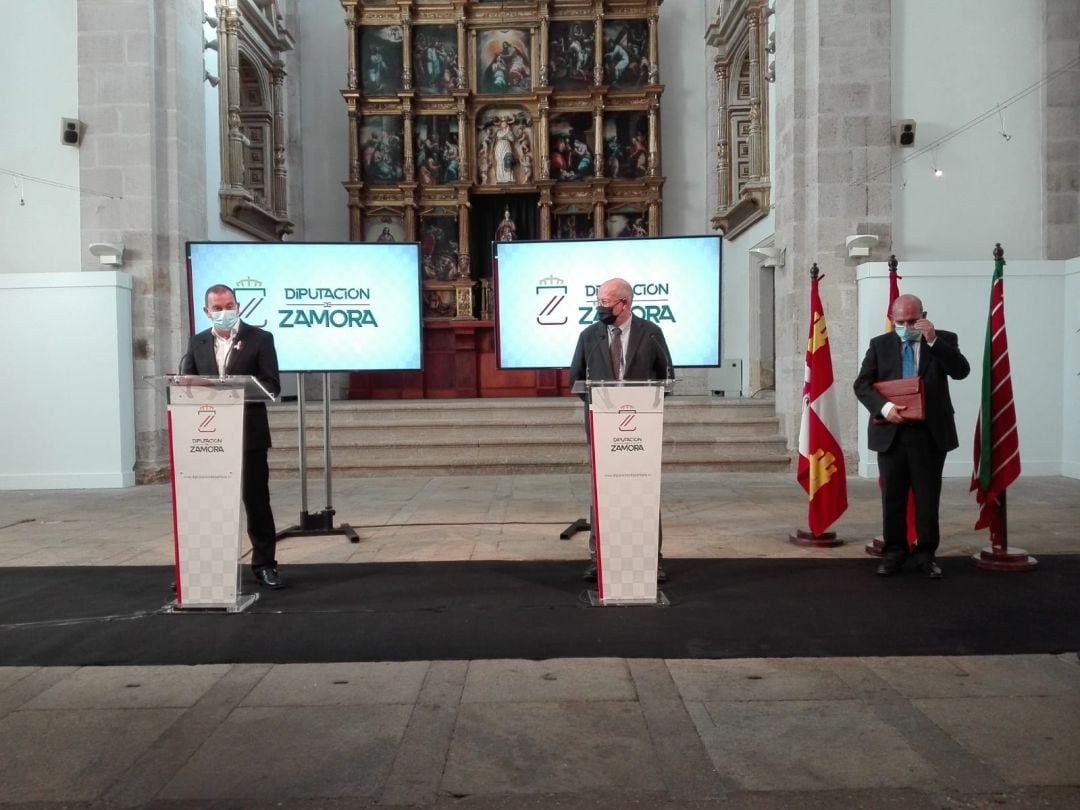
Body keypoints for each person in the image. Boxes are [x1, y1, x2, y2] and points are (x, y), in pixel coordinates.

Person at [853, 293, 970, 579]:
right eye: (900, 321)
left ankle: (925, 554)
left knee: (928, 498)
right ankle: (894, 552)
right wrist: (885, 407)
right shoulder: (880, 345)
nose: (906, 326)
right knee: (893, 497)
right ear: (893, 320)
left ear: (924, 316)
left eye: (912, 320)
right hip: (891, 432)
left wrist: (933, 341)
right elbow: (862, 384)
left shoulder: (943, 339)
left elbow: (961, 371)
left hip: (929, 435)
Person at [181, 284, 285, 590]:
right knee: (211, 502)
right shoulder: (197, 341)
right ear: (206, 311)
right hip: (208, 434)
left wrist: (237, 386)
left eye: (229, 306)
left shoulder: (260, 338)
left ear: (237, 305)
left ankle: (265, 564)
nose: (224, 312)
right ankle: (208, 565)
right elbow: (185, 380)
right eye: (217, 308)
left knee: (256, 501)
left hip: (248, 433)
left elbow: (272, 385)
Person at [568, 277, 672, 583]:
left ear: (623, 304)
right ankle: (598, 558)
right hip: (602, 426)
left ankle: (652, 559)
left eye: (604, 302)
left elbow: (666, 375)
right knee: (603, 492)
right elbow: (575, 378)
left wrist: (642, 402)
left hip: (641, 427)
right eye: (598, 301)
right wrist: (598, 405)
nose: (599, 307)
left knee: (645, 490)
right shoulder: (589, 335)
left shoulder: (651, 333)